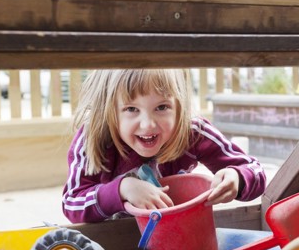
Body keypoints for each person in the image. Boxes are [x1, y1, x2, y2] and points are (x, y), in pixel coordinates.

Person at [62, 69, 266, 223]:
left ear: (179, 105)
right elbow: (72, 203)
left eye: (162, 107)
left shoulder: (191, 131)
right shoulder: (94, 137)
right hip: (115, 243)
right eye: (131, 109)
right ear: (109, 110)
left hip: (177, 234)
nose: (148, 124)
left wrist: (237, 178)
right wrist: (123, 188)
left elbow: (254, 171)